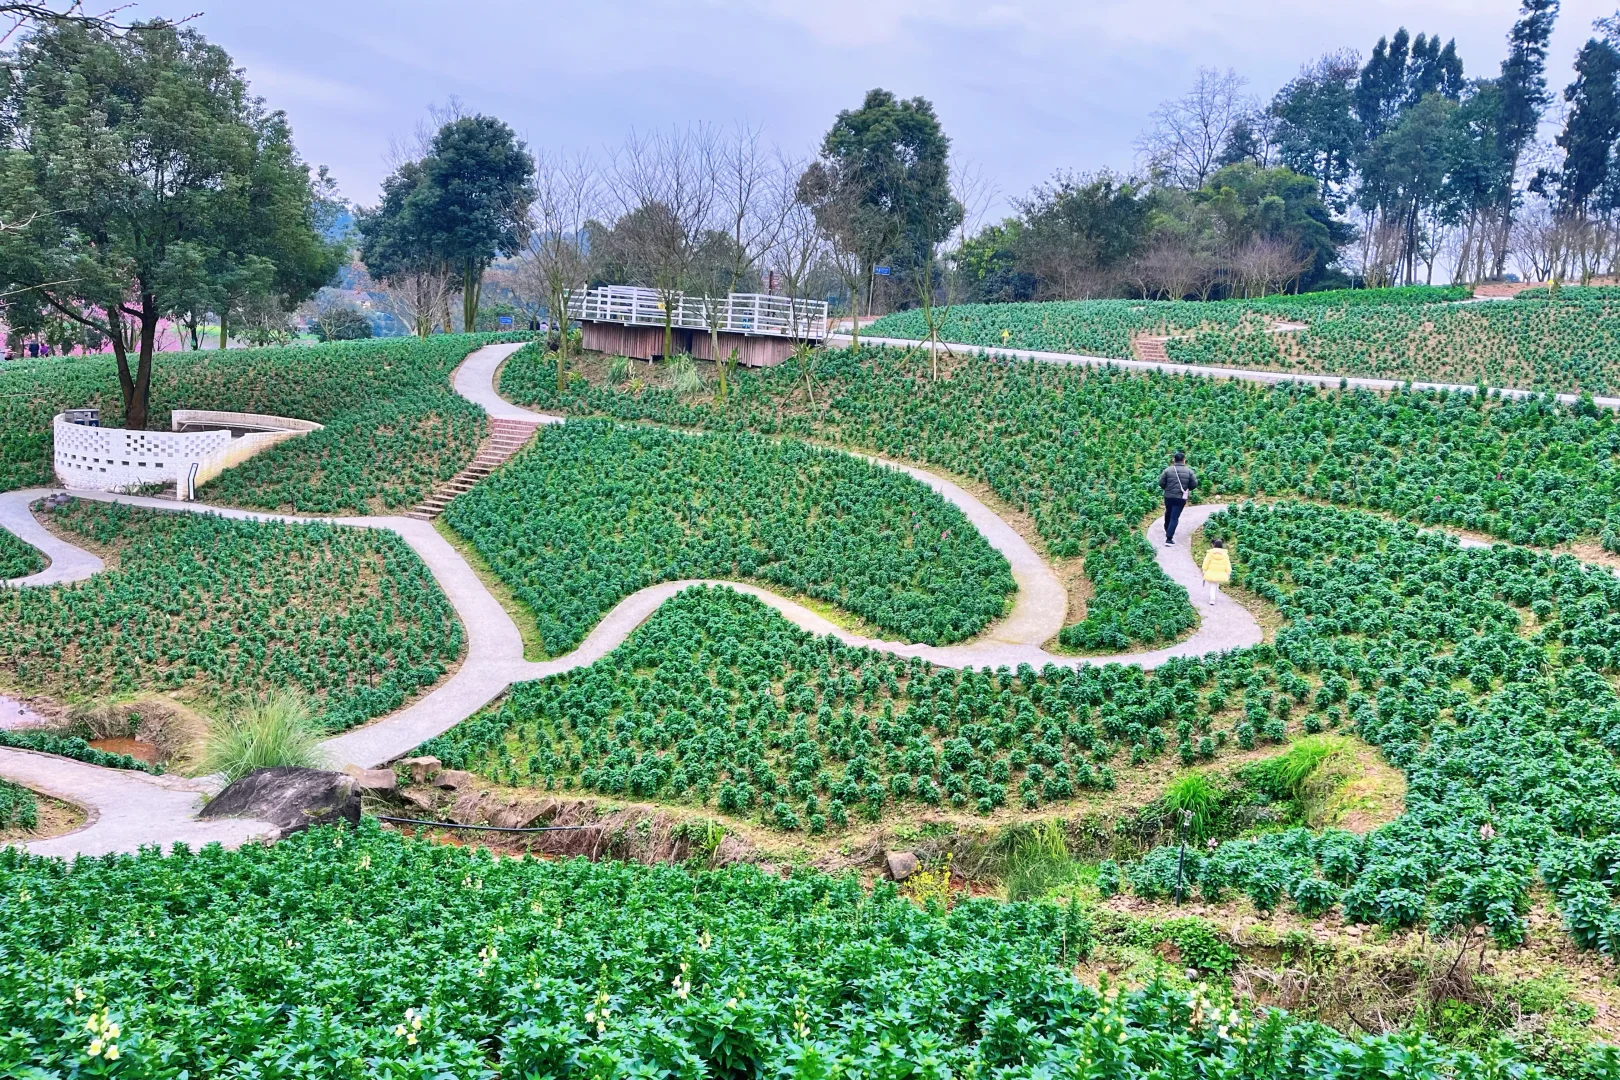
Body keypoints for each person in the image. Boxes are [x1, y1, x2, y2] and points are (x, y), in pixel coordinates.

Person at [1157, 450, 1197, 545]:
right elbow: (1194, 484)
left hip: (1168, 496)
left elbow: (1161, 483)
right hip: (1180, 497)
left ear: (1174, 460)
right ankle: (1169, 538)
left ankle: (1167, 529)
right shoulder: (1189, 471)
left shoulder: (1167, 470)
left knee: (1168, 512)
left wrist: (1167, 489)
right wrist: (1186, 489)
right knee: (1174, 517)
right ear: (1184, 460)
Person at [1201, 537, 1231, 605]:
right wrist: (1228, 572)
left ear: (1214, 545)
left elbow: (1206, 563)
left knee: (1212, 585)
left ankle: (1212, 599)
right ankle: (1214, 595)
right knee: (1216, 584)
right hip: (1220, 573)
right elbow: (1227, 564)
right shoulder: (1225, 554)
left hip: (1211, 572)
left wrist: (1204, 570)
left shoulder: (1210, 553)